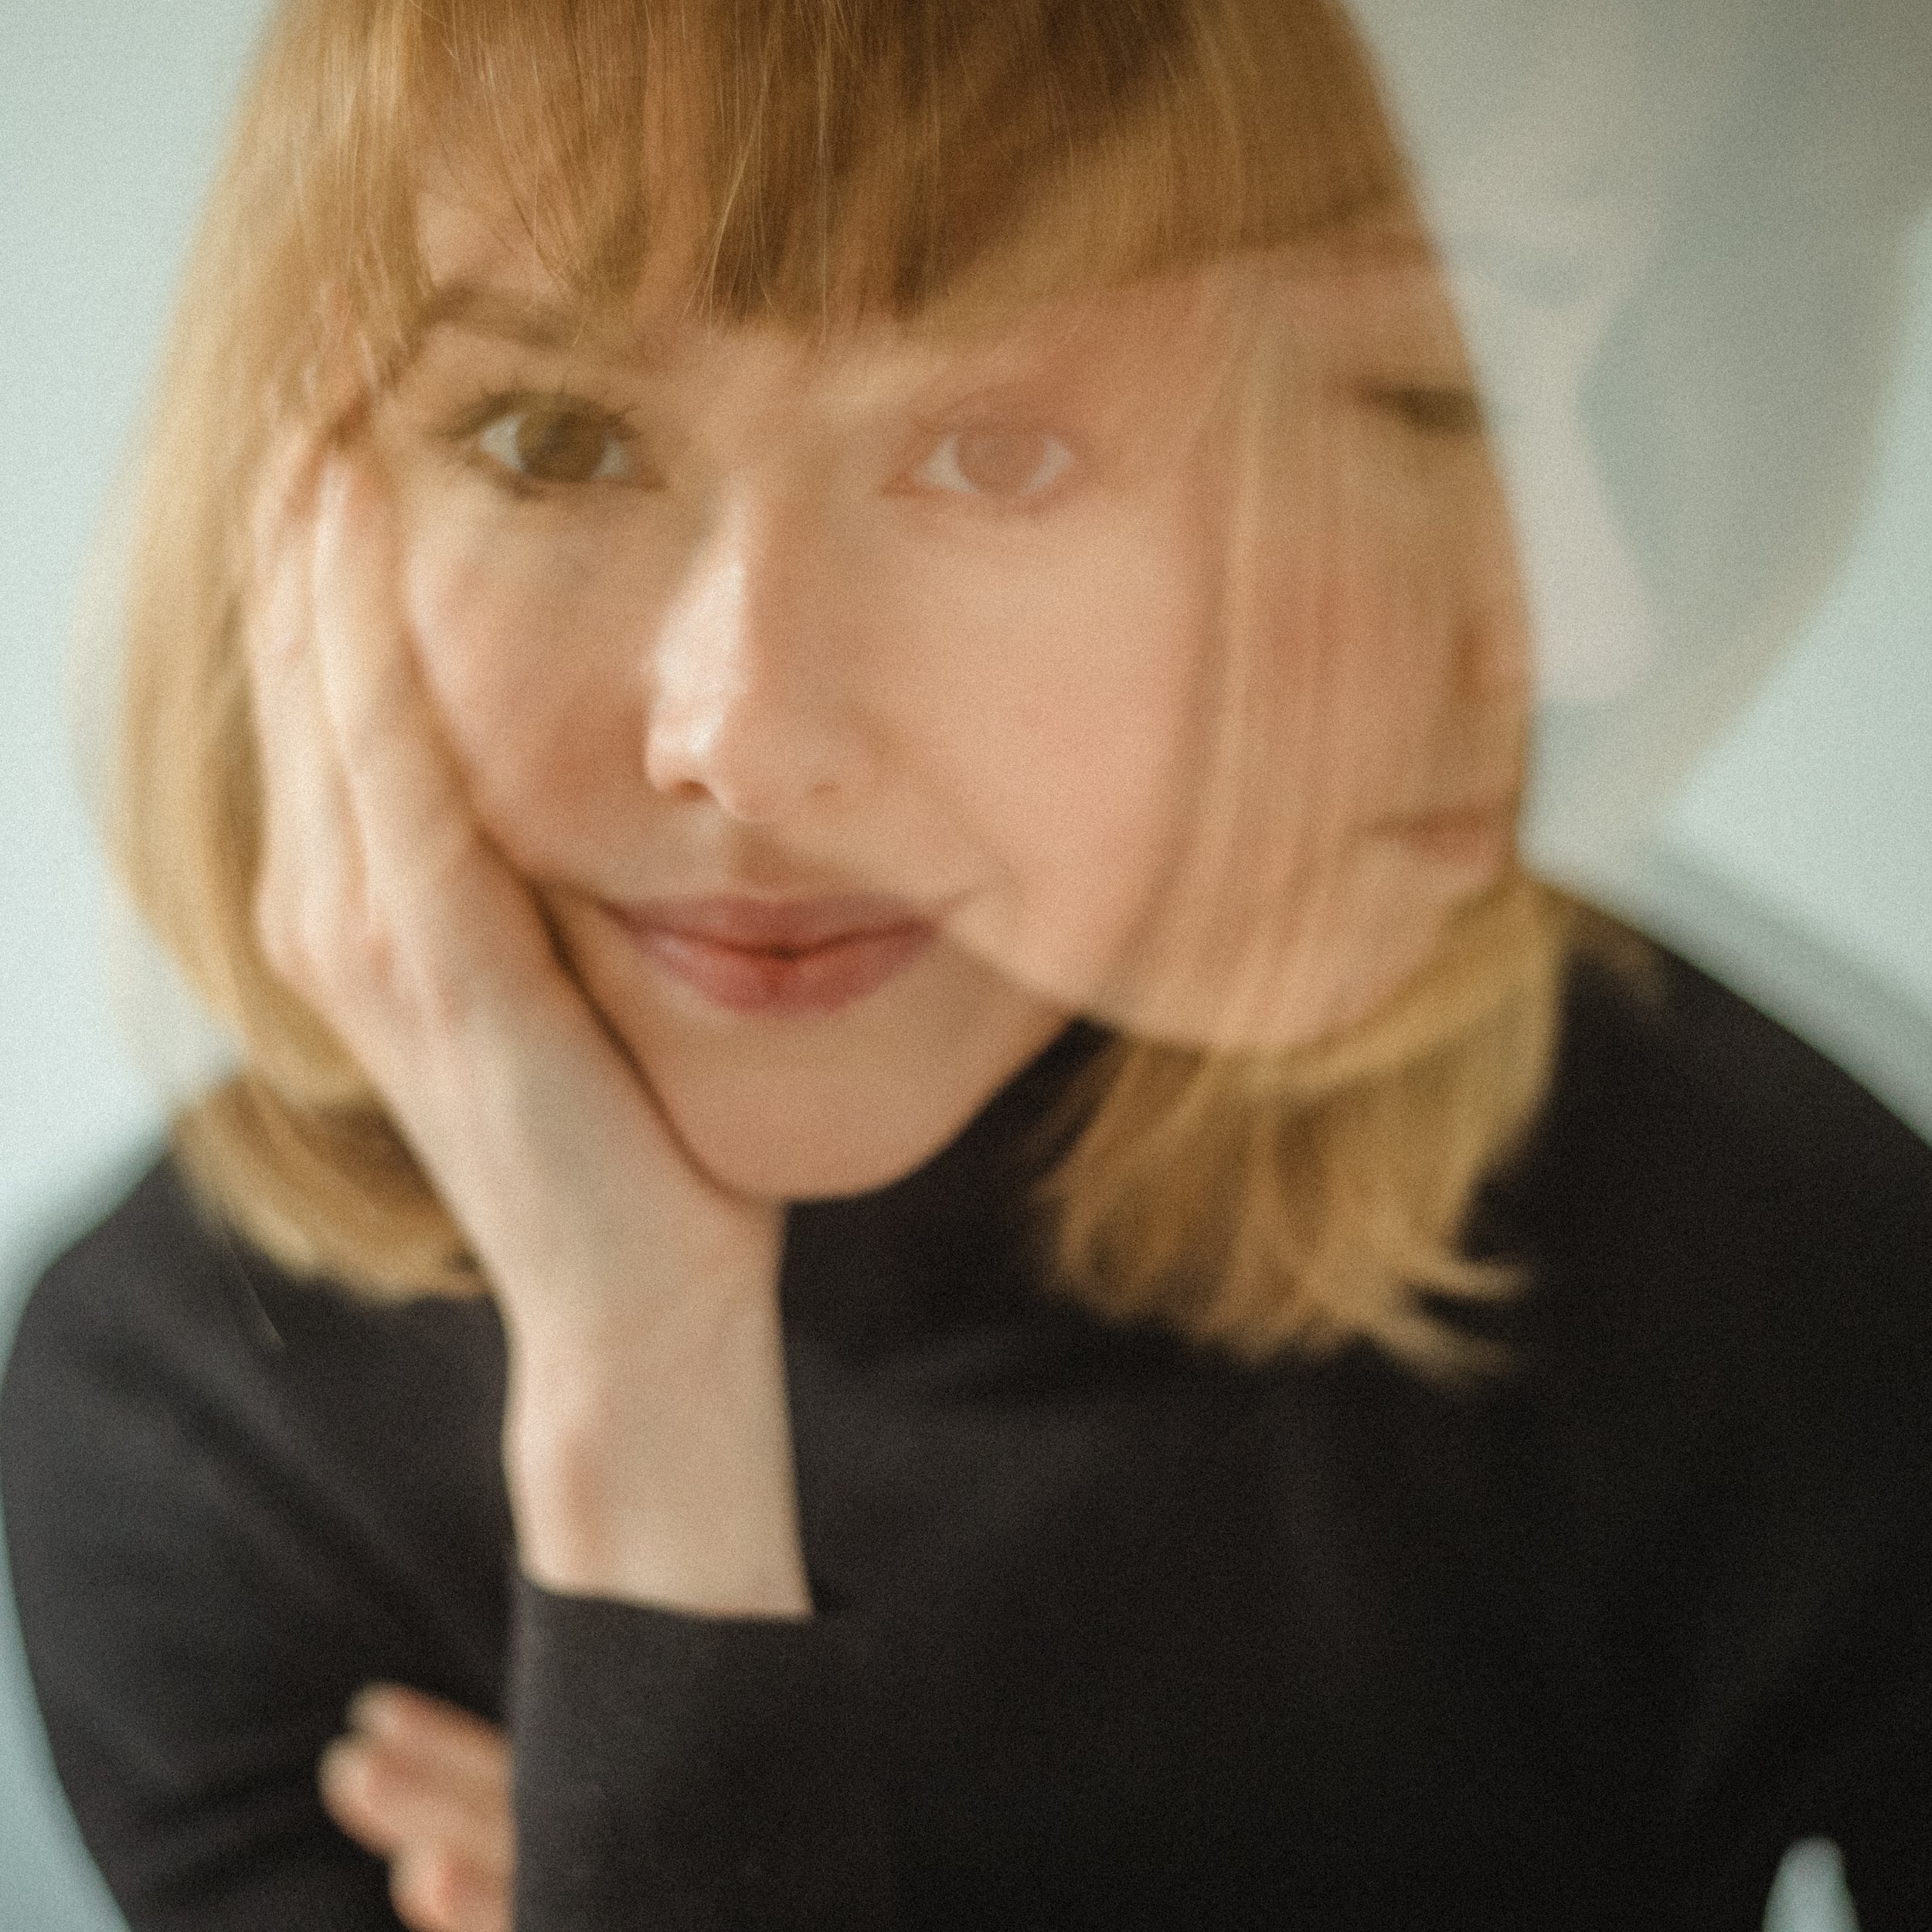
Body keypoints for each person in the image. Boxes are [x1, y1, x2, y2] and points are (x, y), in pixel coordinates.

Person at [3, 1, 1929, 1928]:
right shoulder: (179, 1419)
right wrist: (641, 1418)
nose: (740, 732)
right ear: (288, 536)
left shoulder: (1769, 1273)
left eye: (992, 454)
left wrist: (674, 1848)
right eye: (550, 436)